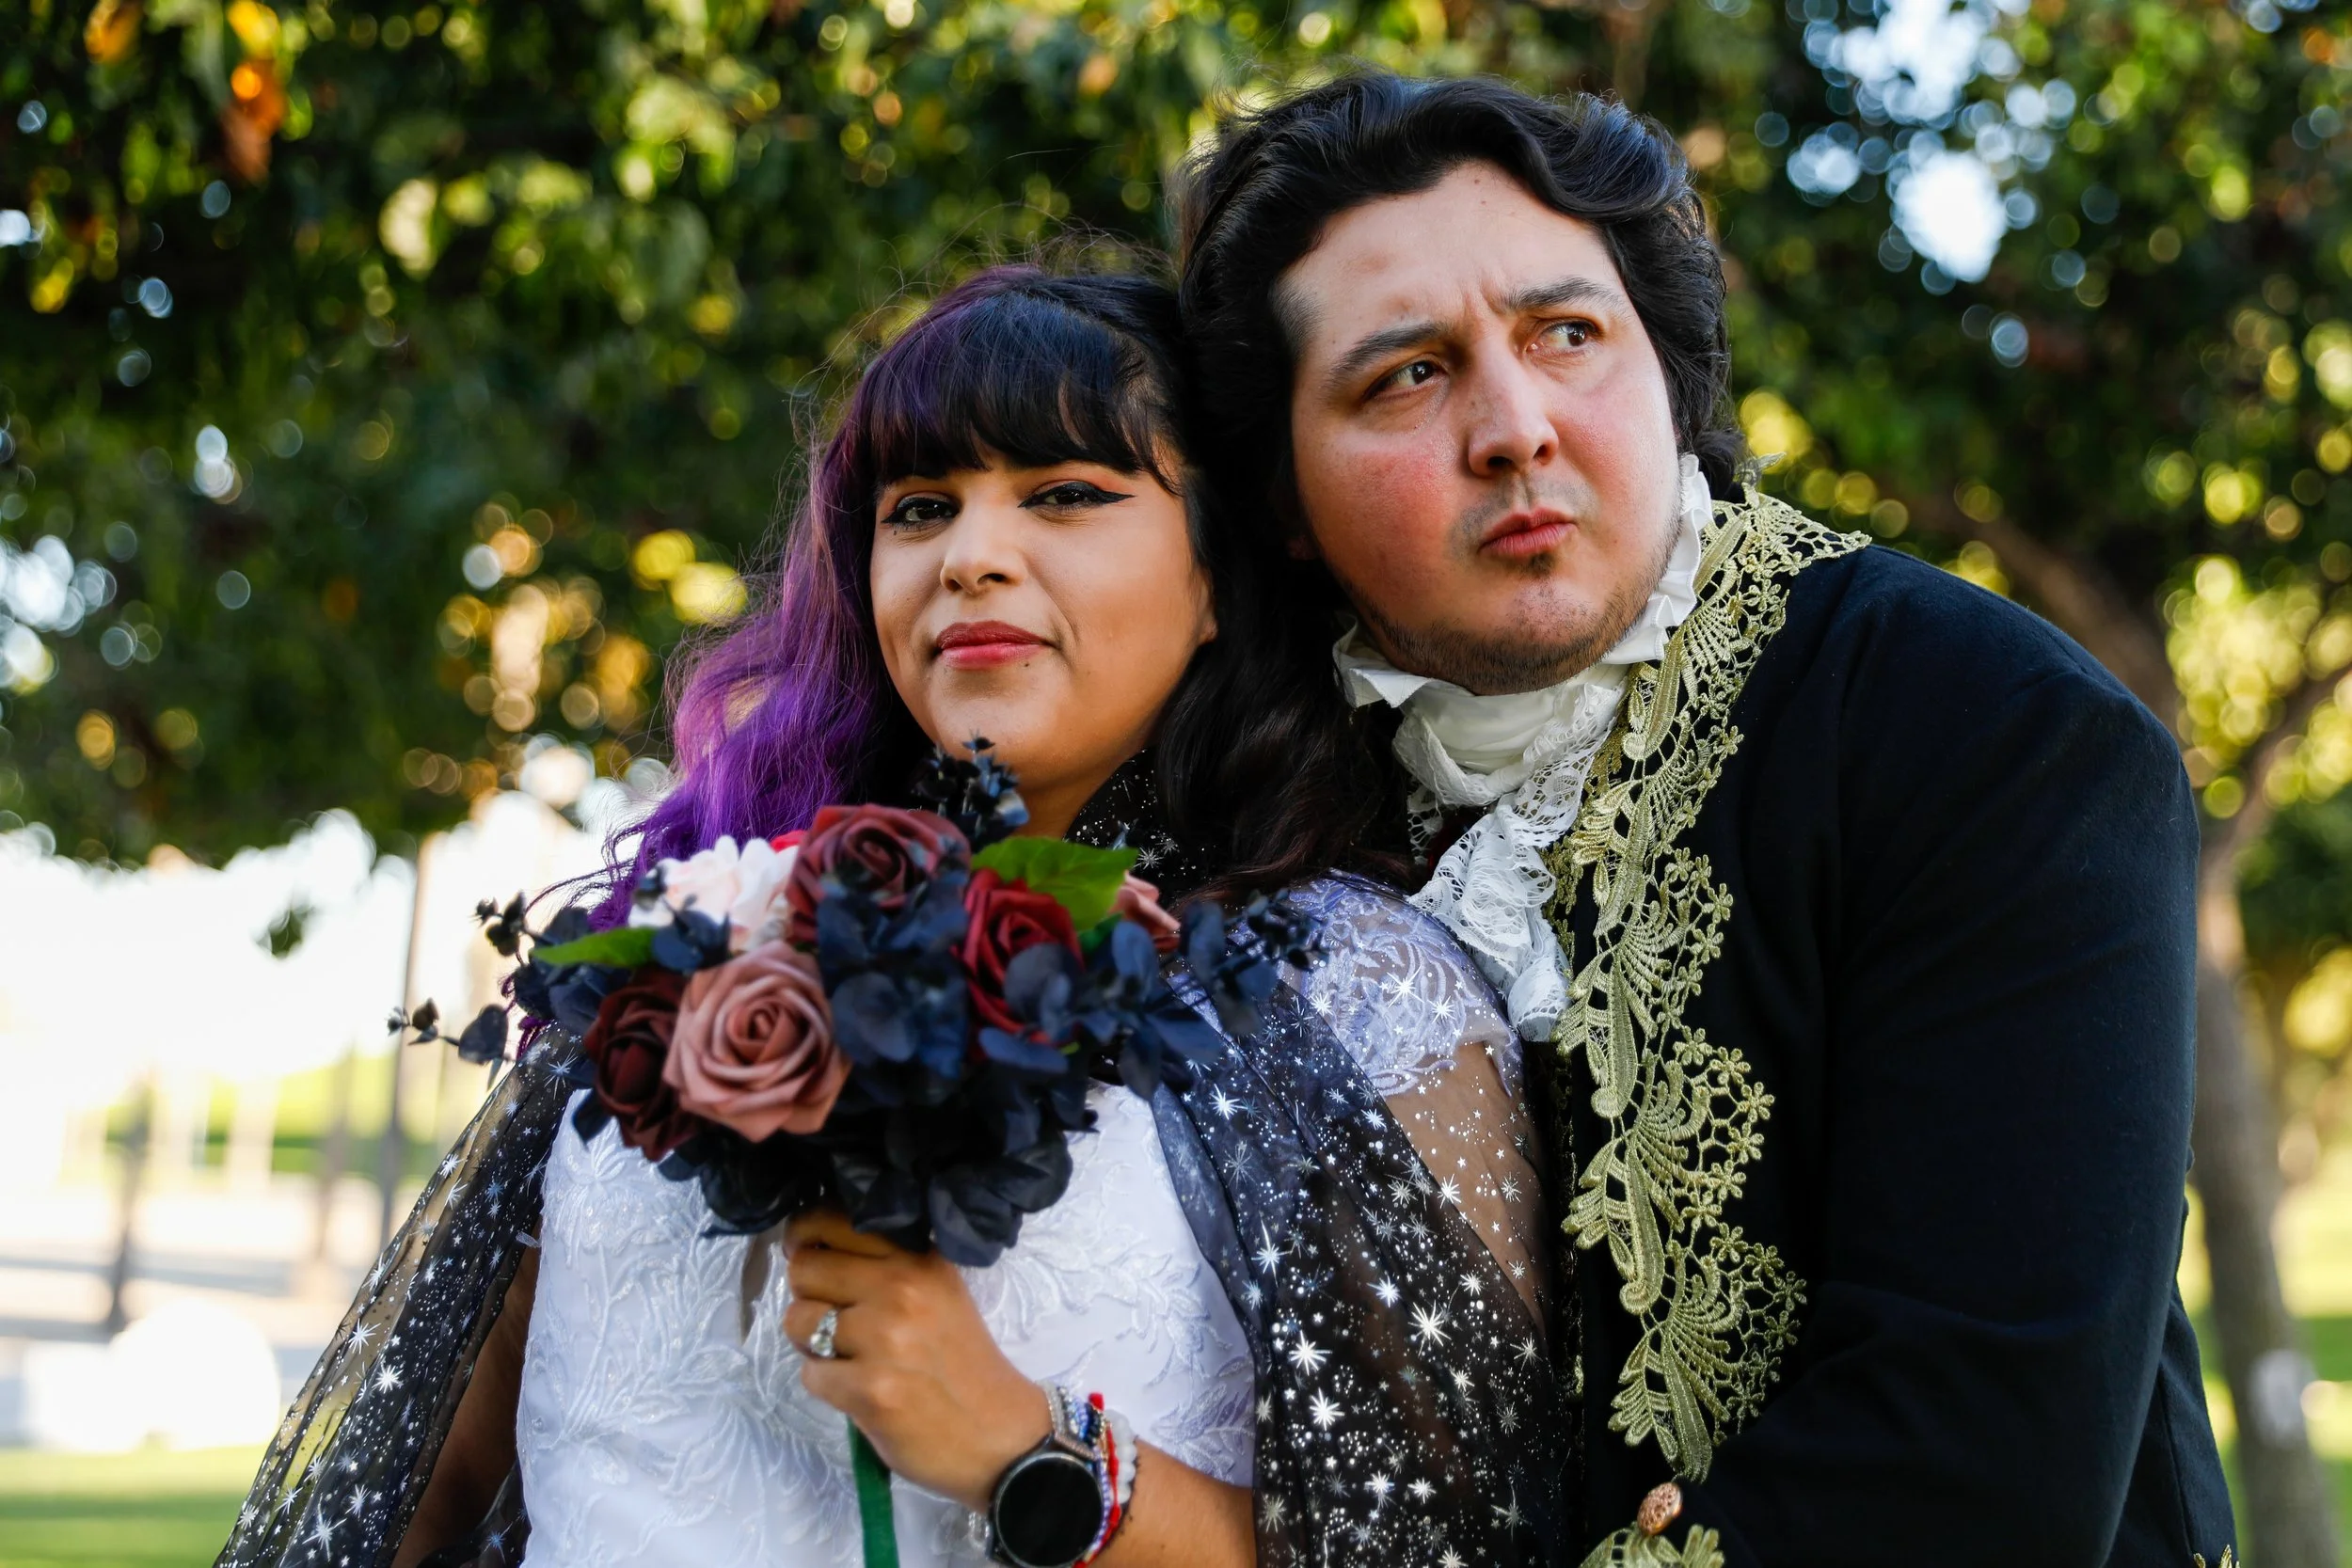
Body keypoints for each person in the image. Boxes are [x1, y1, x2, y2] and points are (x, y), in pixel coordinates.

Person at [215, 266, 1569, 1568]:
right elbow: (432, 1487)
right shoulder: (696, 932)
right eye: (921, 508)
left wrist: (1038, 1455)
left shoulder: (1358, 991)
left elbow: (1450, 1542)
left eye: (1067, 493)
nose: (975, 555)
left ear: (1220, 576)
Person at [1174, 71, 2236, 1568]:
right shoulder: (1273, 812)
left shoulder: (1987, 728)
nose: (1514, 425)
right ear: (1282, 495)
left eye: (1566, 334)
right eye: (1404, 375)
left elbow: (1982, 1463)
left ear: (1664, 373)